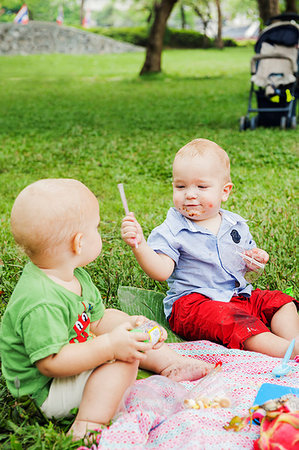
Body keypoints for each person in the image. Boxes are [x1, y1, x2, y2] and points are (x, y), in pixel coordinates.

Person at [0, 178, 213, 442]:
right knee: (124, 359)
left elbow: (97, 320)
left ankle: (171, 364)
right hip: (46, 391)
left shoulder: (73, 275)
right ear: (78, 243)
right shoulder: (41, 301)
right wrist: (109, 348)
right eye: (96, 228)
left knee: (124, 327)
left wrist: (130, 326)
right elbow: (51, 363)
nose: (100, 232)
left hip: (74, 357)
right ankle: (87, 425)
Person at [121, 138, 299, 359]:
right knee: (232, 319)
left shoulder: (235, 225)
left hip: (237, 296)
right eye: (181, 186)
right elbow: (161, 271)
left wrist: (255, 258)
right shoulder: (172, 230)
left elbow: (246, 262)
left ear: (224, 192)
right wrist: (140, 246)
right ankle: (286, 353)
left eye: (201, 187)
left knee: (279, 301)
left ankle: (294, 342)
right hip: (195, 305)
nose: (190, 194)